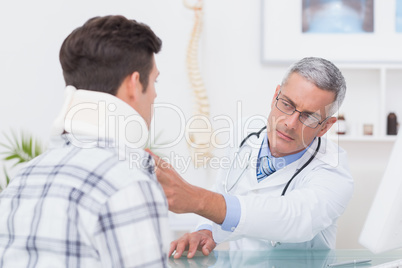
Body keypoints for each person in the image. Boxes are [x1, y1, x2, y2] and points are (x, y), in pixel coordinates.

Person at [0, 15, 169, 267]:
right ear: (134, 84)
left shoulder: (22, 181)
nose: (155, 94)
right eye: (154, 81)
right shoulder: (127, 186)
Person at [150, 57, 354, 258]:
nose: (290, 123)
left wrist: (198, 200)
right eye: (287, 104)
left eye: (309, 117)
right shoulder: (243, 131)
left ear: (325, 127)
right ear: (275, 95)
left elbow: (294, 216)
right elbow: (223, 188)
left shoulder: (334, 171)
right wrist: (206, 231)